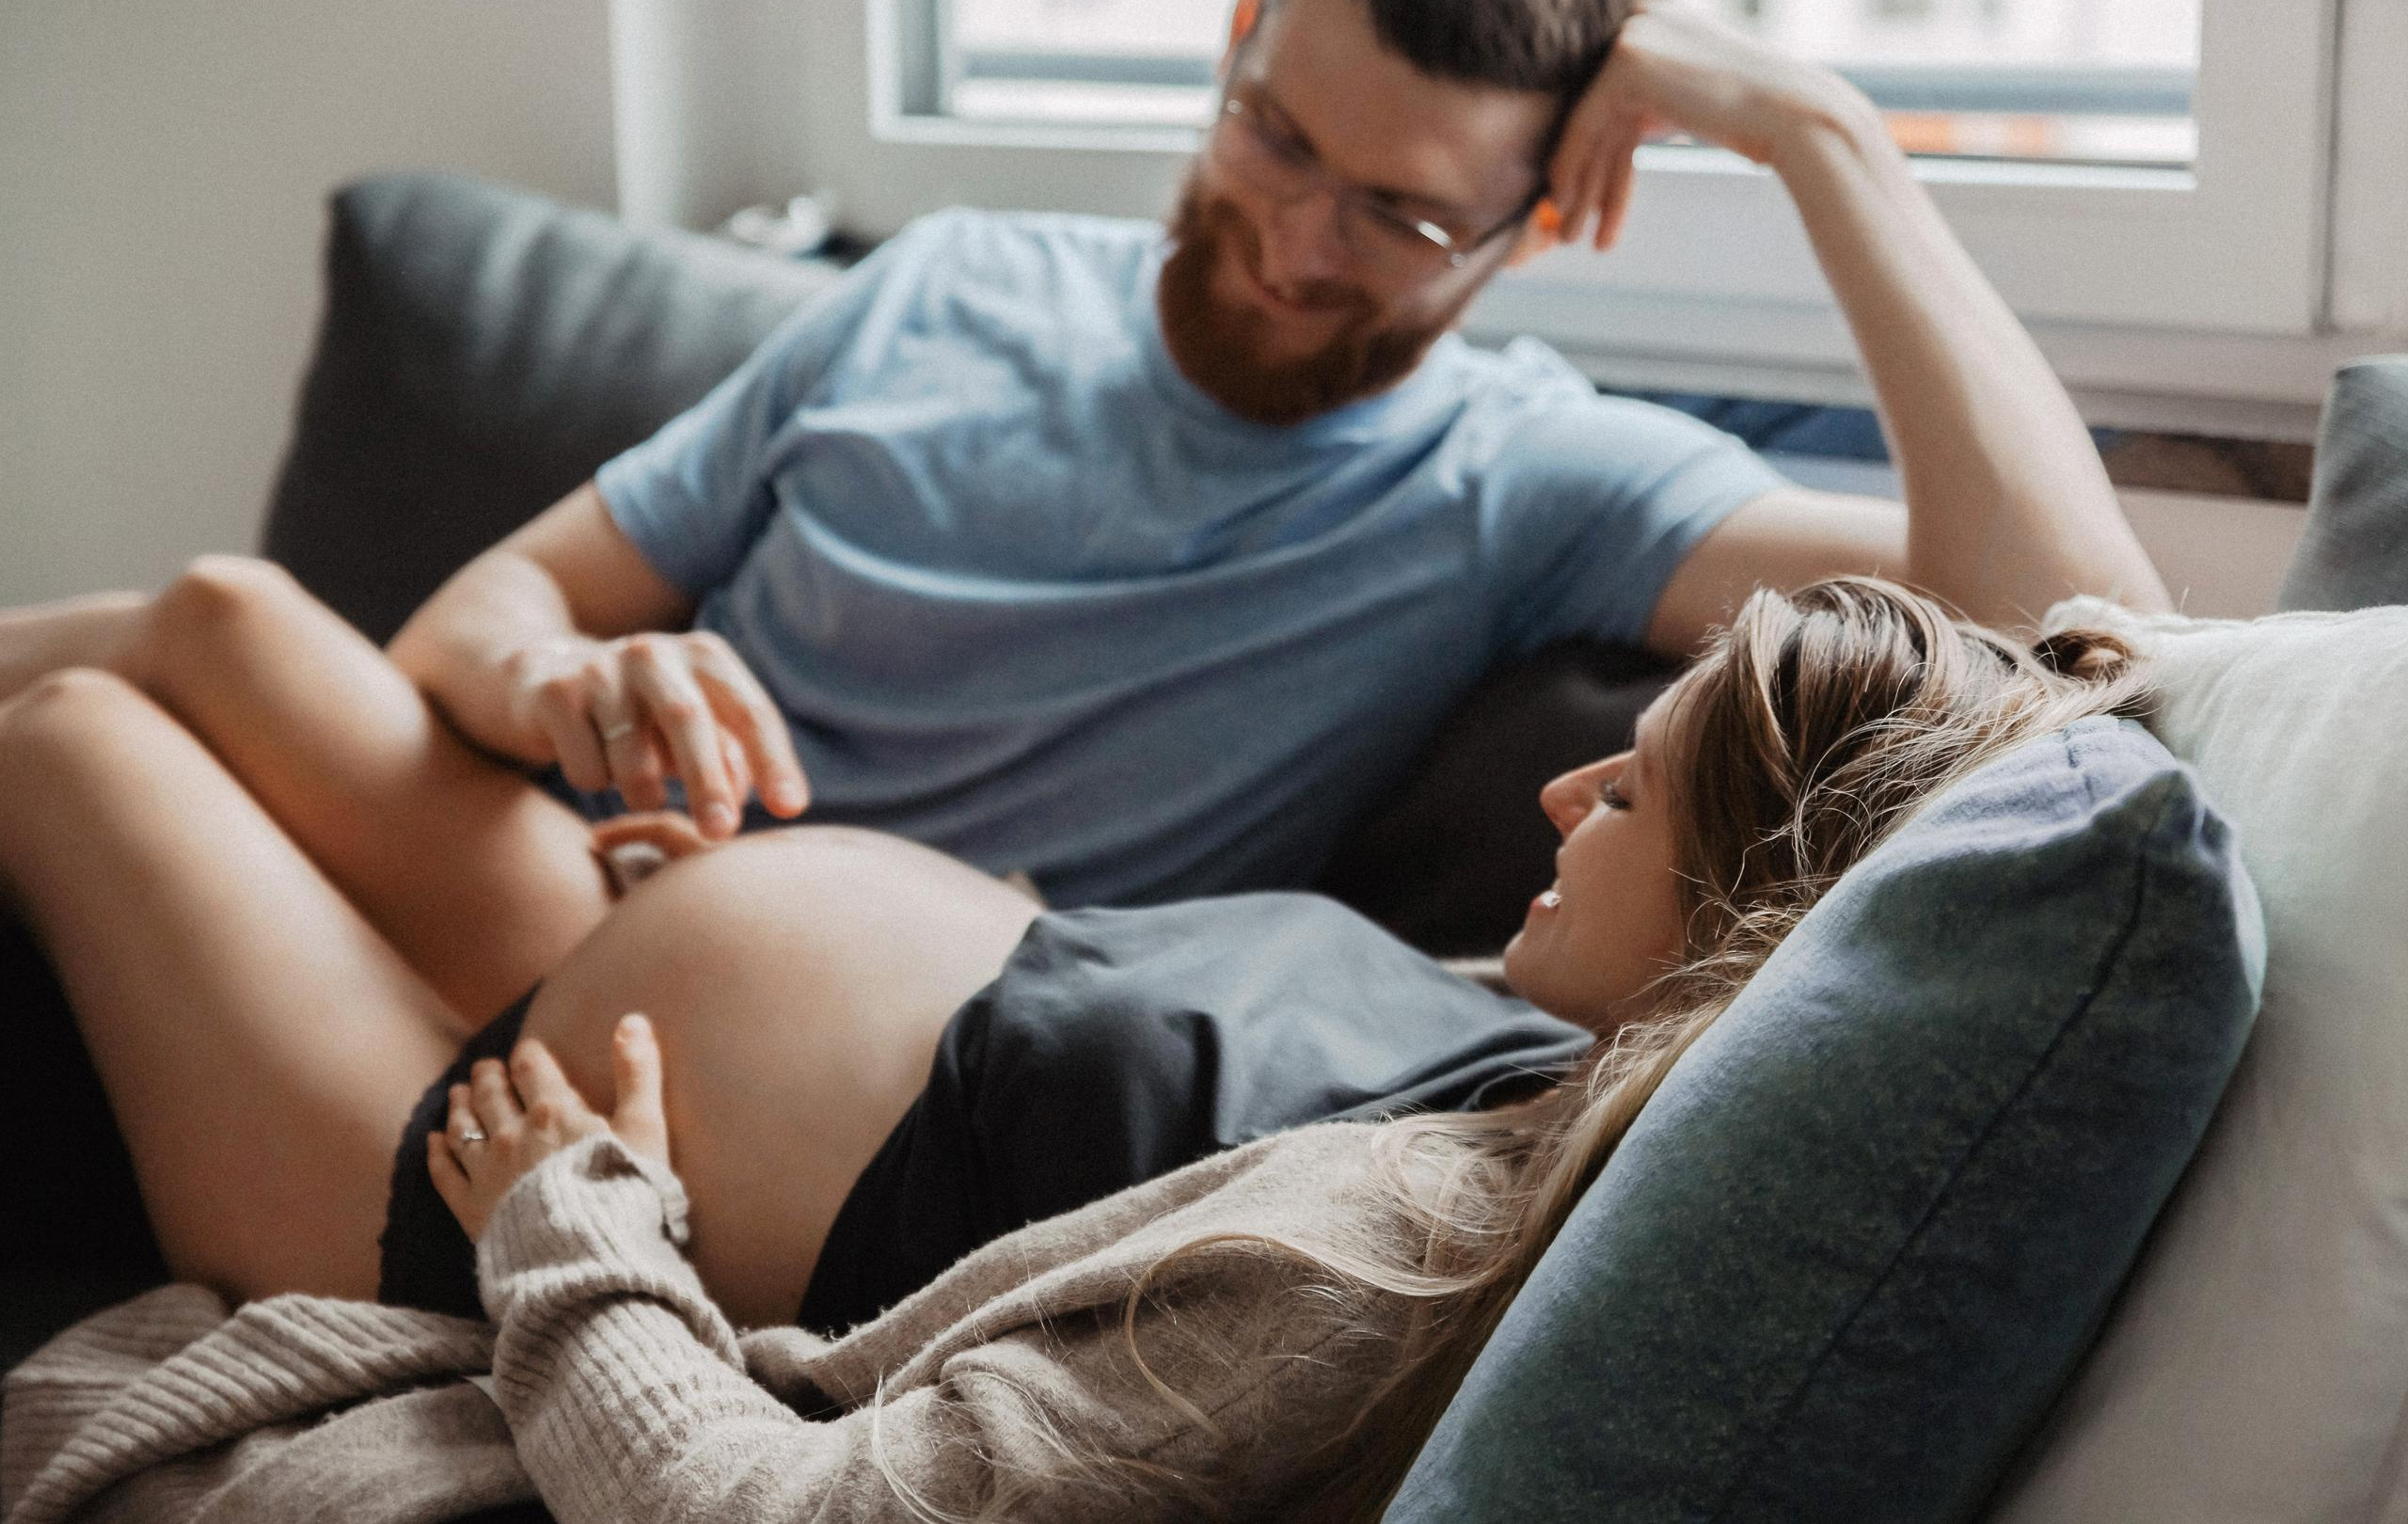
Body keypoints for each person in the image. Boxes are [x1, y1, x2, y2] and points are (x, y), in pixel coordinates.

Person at [0, 0, 2164, 1048]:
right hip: (539, 865)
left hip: (806, 1005)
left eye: (1400, 216)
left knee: (177, 647)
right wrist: (580, 687)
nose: (1295, 240)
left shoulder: (1525, 477)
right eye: (1274, 135)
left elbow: (2090, 632)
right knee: (171, 653)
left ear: (1541, 225)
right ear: (1237, 30)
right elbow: (467, 628)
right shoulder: (938, 286)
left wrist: (1822, 137)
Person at [0, 575, 2156, 1521]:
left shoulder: (1384, 1255)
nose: (1557, 798)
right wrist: (715, 900)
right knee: (218, 617)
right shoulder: (1519, 1025)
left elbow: (794, 1512)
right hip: (615, 954)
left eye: (1632, 794)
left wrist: (568, 1224)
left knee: (71, 739)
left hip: (474, 1164)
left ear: (1745, 921)